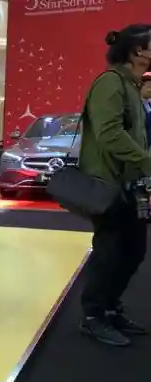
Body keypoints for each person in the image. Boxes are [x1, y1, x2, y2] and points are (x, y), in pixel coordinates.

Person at [78, 25, 151, 346]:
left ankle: (109, 307)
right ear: (138, 50)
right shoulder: (110, 83)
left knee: (134, 251)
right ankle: (93, 316)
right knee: (109, 252)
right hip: (108, 185)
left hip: (133, 185)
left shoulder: (132, 86)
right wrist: (147, 161)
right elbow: (109, 134)